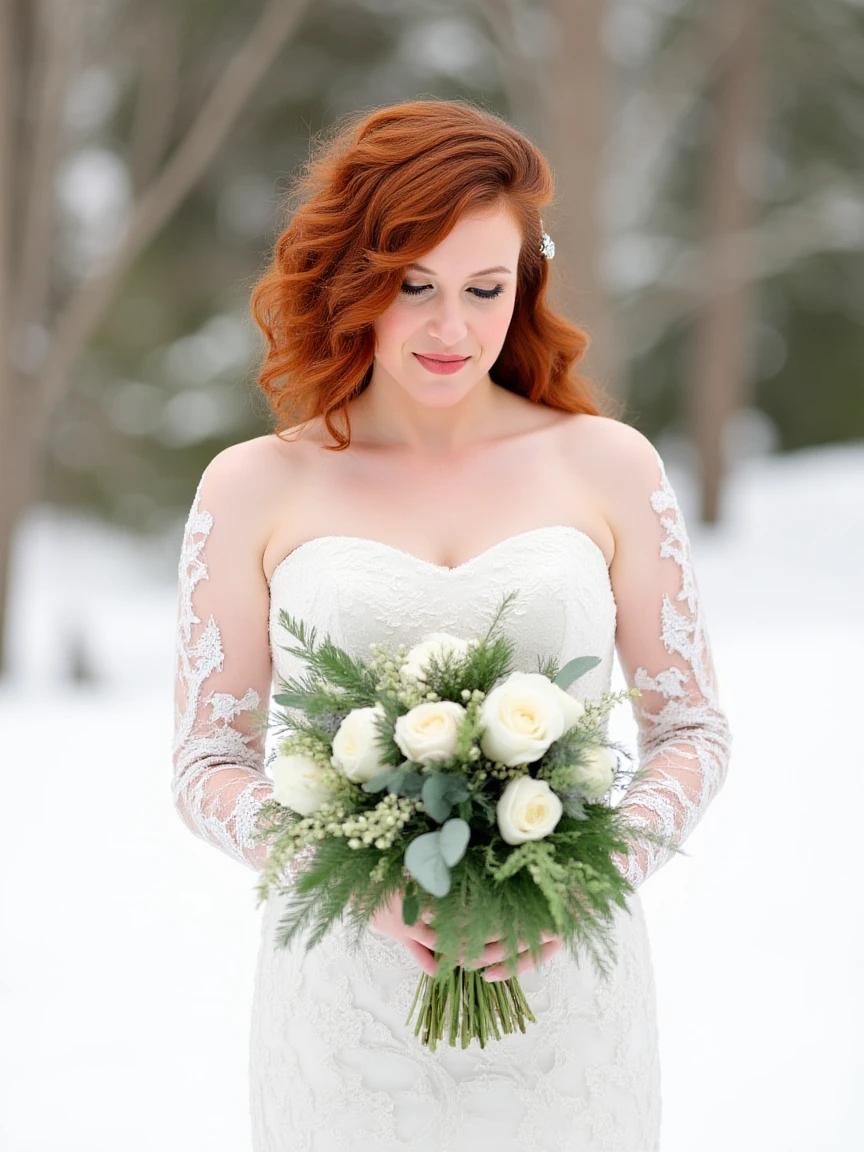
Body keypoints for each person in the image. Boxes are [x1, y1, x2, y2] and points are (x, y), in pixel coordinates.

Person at [171, 98, 732, 1152]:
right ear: (354, 280)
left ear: (527, 286)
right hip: (346, 1012)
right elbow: (208, 759)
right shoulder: (252, 486)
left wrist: (587, 880)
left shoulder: (610, 466)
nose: (451, 329)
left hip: (569, 1006)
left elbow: (693, 732)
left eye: (486, 289)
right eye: (414, 287)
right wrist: (349, 872)